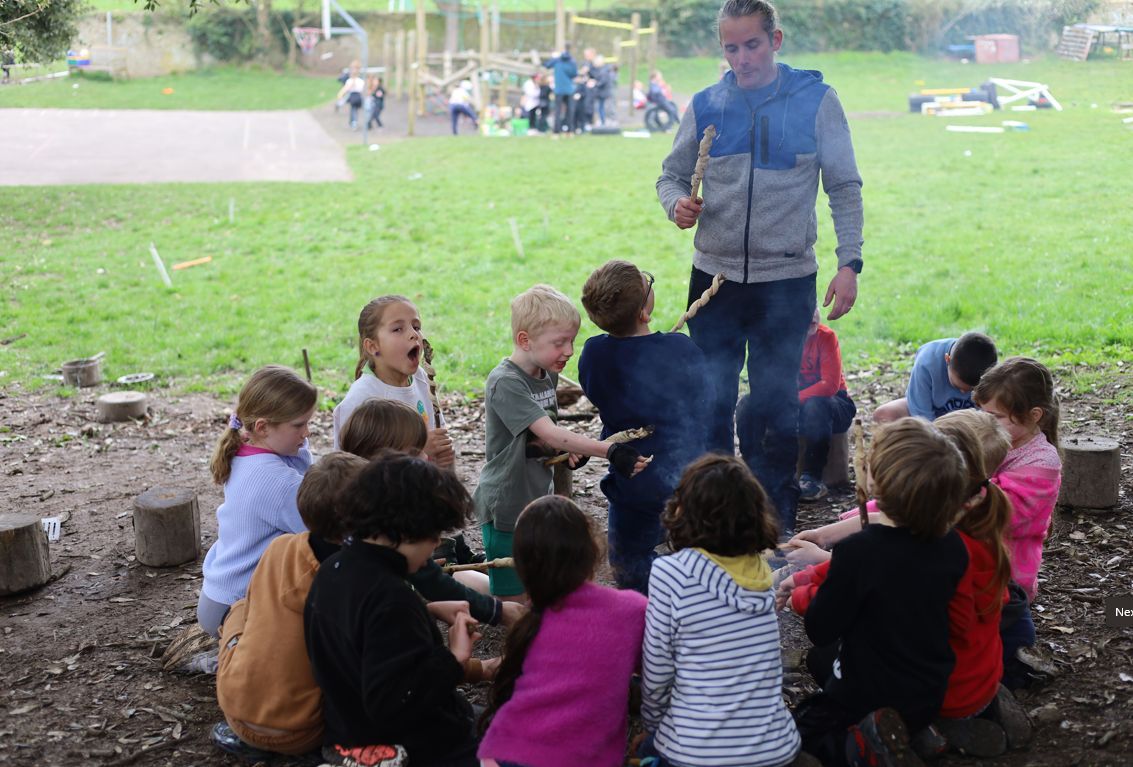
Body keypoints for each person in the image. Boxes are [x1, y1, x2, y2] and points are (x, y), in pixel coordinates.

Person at [656, 0, 863, 538]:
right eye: (731, 47)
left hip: (787, 283)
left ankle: (774, 525)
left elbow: (844, 186)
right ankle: (715, 522)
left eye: (752, 44)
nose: (742, 58)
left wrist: (849, 262)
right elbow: (670, 176)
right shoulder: (707, 104)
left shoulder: (816, 101)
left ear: (776, 39)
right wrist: (676, 205)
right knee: (711, 403)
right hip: (714, 281)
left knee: (774, 407)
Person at [793, 418, 969, 766]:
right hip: (929, 690)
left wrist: (808, 592)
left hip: (871, 694)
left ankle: (865, 745)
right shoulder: (952, 544)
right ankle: (913, 732)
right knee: (822, 659)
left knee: (802, 730)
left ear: (877, 483)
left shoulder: (860, 552)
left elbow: (820, 628)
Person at [305, 451, 482, 767]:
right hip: (408, 751)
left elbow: (362, 643)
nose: (434, 547)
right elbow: (396, 703)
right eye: (435, 535)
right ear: (409, 529)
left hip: (347, 733)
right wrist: (454, 658)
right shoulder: (390, 598)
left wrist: (425, 613)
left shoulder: (333, 568)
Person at [473, 284, 648, 601]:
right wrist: (608, 450)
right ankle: (461, 586)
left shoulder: (545, 373)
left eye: (571, 341)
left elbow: (548, 438)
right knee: (512, 604)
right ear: (524, 340)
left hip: (537, 496)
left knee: (538, 587)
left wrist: (568, 450)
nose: (569, 351)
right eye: (559, 343)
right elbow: (549, 433)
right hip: (507, 503)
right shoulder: (505, 383)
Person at [639, 455, 802, 767]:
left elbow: (658, 671)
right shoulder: (759, 572)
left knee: (647, 748)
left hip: (696, 753)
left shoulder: (670, 572)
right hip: (775, 747)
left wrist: (653, 724)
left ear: (685, 512)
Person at [213, 452, 366, 760]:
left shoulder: (279, 547)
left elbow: (251, 608)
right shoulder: (353, 577)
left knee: (240, 610)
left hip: (235, 710)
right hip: (302, 731)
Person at [477, 496, 647, 767]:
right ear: (593, 549)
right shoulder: (633, 610)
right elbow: (659, 677)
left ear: (521, 568)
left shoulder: (530, 623)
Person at [577, 260, 712, 594]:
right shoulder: (680, 349)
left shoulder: (593, 354)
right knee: (695, 559)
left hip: (630, 482)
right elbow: (706, 401)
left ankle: (644, 599)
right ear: (643, 313)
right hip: (685, 481)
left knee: (630, 564)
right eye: (648, 283)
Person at [339, 398, 524, 627]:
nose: (426, 457)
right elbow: (429, 580)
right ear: (382, 461)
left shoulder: (374, 511)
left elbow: (428, 577)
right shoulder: (378, 537)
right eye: (415, 452)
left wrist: (496, 611)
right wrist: (497, 612)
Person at [198, 365, 318, 638]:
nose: (307, 433)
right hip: (237, 608)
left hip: (220, 595)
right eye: (299, 425)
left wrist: (299, 445)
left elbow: (305, 479)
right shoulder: (276, 481)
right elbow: (326, 527)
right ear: (262, 427)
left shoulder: (248, 448)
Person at [973, 357, 1062, 691]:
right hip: (975, 564)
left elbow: (994, 512)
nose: (984, 421)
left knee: (1009, 655)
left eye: (994, 416)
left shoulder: (1042, 462)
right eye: (981, 412)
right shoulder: (995, 438)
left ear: (1034, 415)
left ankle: (1013, 668)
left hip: (1007, 577)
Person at [332, 295, 454, 468]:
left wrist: (442, 457)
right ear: (373, 346)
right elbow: (353, 471)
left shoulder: (421, 378)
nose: (413, 334)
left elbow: (438, 436)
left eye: (416, 327)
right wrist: (418, 452)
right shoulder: (360, 400)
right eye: (398, 329)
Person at [873, 332, 998, 424]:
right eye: (957, 386)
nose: (963, 393)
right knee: (885, 414)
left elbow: (990, 416)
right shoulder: (926, 362)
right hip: (931, 413)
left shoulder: (990, 370)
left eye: (971, 390)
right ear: (947, 359)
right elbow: (921, 414)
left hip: (969, 421)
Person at [543, 46, 577, 133]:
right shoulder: (572, 62)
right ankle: (570, 131)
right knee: (570, 111)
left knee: (557, 111)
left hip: (559, 90)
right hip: (569, 89)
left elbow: (546, 65)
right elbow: (574, 74)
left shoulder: (557, 61)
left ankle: (556, 132)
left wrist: (553, 58)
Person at [335, 61, 366, 130]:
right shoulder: (360, 80)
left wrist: (340, 94)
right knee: (354, 109)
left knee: (353, 109)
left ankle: (353, 122)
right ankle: (352, 121)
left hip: (354, 96)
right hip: (357, 96)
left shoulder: (353, 81)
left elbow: (346, 88)